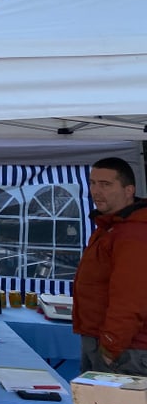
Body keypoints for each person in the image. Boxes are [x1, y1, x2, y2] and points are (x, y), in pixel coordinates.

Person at [73, 156, 147, 375]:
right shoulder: (110, 227)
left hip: (126, 350)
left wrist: (109, 346)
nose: (96, 191)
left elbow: (131, 298)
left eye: (106, 184)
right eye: (93, 183)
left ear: (129, 190)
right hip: (104, 342)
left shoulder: (133, 233)